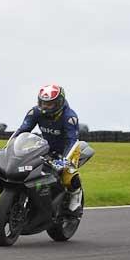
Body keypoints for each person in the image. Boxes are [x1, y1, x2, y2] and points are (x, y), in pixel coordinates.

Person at [12, 84, 82, 213]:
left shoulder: (69, 117)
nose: (44, 106)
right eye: (42, 102)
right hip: (46, 147)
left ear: (59, 103)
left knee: (68, 172)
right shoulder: (35, 112)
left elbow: (72, 141)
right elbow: (22, 131)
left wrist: (64, 161)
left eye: (49, 104)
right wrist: (8, 148)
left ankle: (75, 194)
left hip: (68, 149)